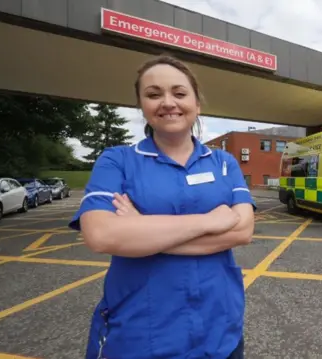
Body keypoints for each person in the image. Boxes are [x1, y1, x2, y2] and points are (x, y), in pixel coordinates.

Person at [69, 54, 256, 359]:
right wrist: (209, 221)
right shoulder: (117, 160)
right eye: (154, 94)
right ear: (142, 106)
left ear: (197, 104)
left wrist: (140, 229)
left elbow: (243, 231)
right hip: (141, 338)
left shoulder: (224, 163)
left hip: (220, 332)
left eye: (179, 93)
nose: (168, 102)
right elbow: (101, 235)